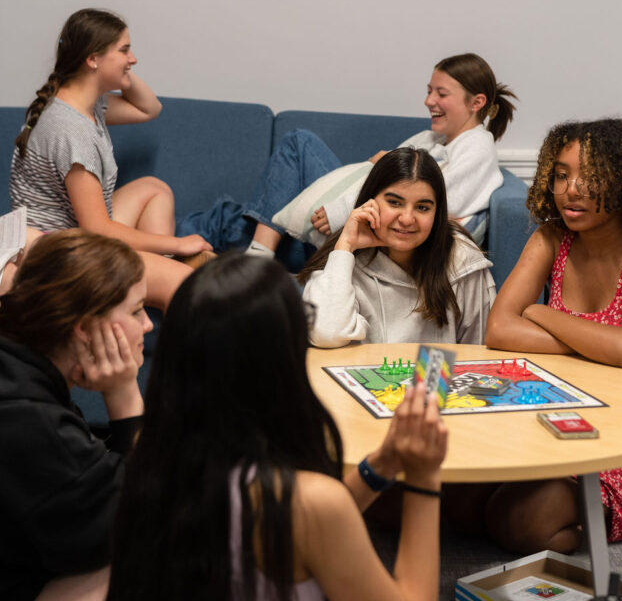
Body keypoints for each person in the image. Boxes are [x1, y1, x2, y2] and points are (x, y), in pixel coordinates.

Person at [106, 253, 449, 601]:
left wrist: (380, 466)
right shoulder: (310, 502)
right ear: (279, 363)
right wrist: (423, 480)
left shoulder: (151, 453)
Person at [483, 118, 622, 552]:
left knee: (518, 522)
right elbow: (498, 329)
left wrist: (538, 312)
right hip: (554, 420)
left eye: (591, 178)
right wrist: (604, 348)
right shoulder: (551, 237)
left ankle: (592, 525)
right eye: (561, 174)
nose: (571, 189)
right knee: (451, 494)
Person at [178, 51, 516, 265]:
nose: (429, 101)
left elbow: (435, 200)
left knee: (294, 147)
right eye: (429, 90)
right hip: (348, 224)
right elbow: (382, 179)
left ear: (477, 103)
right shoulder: (431, 138)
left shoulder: (477, 147)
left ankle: (243, 258)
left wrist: (343, 210)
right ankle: (239, 254)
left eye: (441, 93)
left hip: (354, 235)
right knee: (229, 218)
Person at [10, 9, 212, 309]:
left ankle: (142, 280)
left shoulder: (84, 105)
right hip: (59, 256)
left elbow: (149, 109)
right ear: (92, 59)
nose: (134, 58)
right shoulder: (70, 131)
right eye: (125, 50)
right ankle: (156, 282)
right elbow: (97, 229)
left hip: (74, 231)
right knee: (187, 284)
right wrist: (178, 244)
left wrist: (121, 71)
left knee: (153, 189)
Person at [0, 228, 153, 601]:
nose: (148, 324)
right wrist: (124, 394)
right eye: (135, 311)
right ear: (84, 328)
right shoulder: (30, 421)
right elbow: (144, 513)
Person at [299, 147, 496, 347]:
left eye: (422, 207)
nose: (407, 219)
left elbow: (478, 352)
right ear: (370, 201)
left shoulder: (462, 259)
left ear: (437, 212)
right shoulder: (343, 257)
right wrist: (345, 245)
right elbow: (325, 334)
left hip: (437, 378)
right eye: (394, 202)